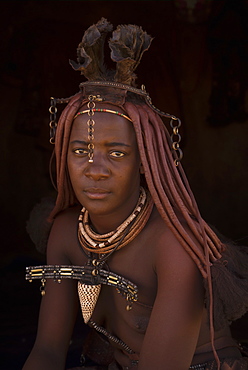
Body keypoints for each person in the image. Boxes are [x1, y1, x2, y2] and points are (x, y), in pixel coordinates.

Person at [23, 18, 248, 370]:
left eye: (117, 153)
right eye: (80, 151)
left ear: (144, 162)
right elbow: (47, 352)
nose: (95, 169)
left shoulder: (173, 248)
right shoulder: (66, 233)